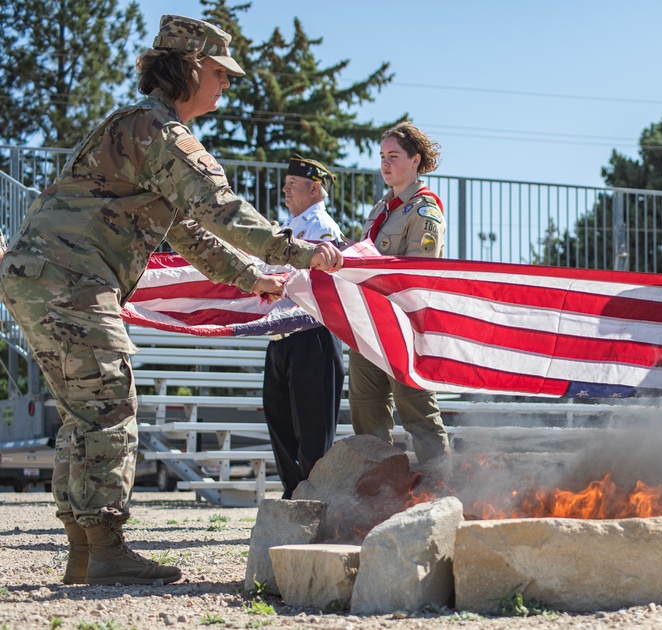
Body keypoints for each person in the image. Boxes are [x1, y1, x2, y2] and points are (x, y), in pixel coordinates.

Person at [0, 14, 343, 586]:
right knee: (109, 406)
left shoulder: (141, 129)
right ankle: (105, 550)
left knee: (85, 413)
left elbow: (191, 234)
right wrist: (298, 251)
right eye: (218, 72)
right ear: (188, 68)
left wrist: (253, 280)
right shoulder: (160, 131)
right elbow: (222, 210)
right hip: (71, 278)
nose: (226, 84)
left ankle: (86, 552)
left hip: (43, 276)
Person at [349, 122, 451, 464]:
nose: (385, 163)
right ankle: (375, 494)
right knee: (366, 415)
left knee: (417, 413)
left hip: (401, 324)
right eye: (381, 156)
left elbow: (415, 274)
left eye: (393, 155)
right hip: (367, 322)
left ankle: (440, 490)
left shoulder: (424, 210)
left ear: (415, 160)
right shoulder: (381, 209)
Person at [263, 155, 348, 499]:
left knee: (312, 431)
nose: (285, 189)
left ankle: (314, 499)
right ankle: (294, 495)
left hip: (312, 334)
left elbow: (321, 279)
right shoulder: (290, 225)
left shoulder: (322, 228)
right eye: (285, 183)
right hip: (280, 335)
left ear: (315, 189)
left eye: (292, 184)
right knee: (280, 422)